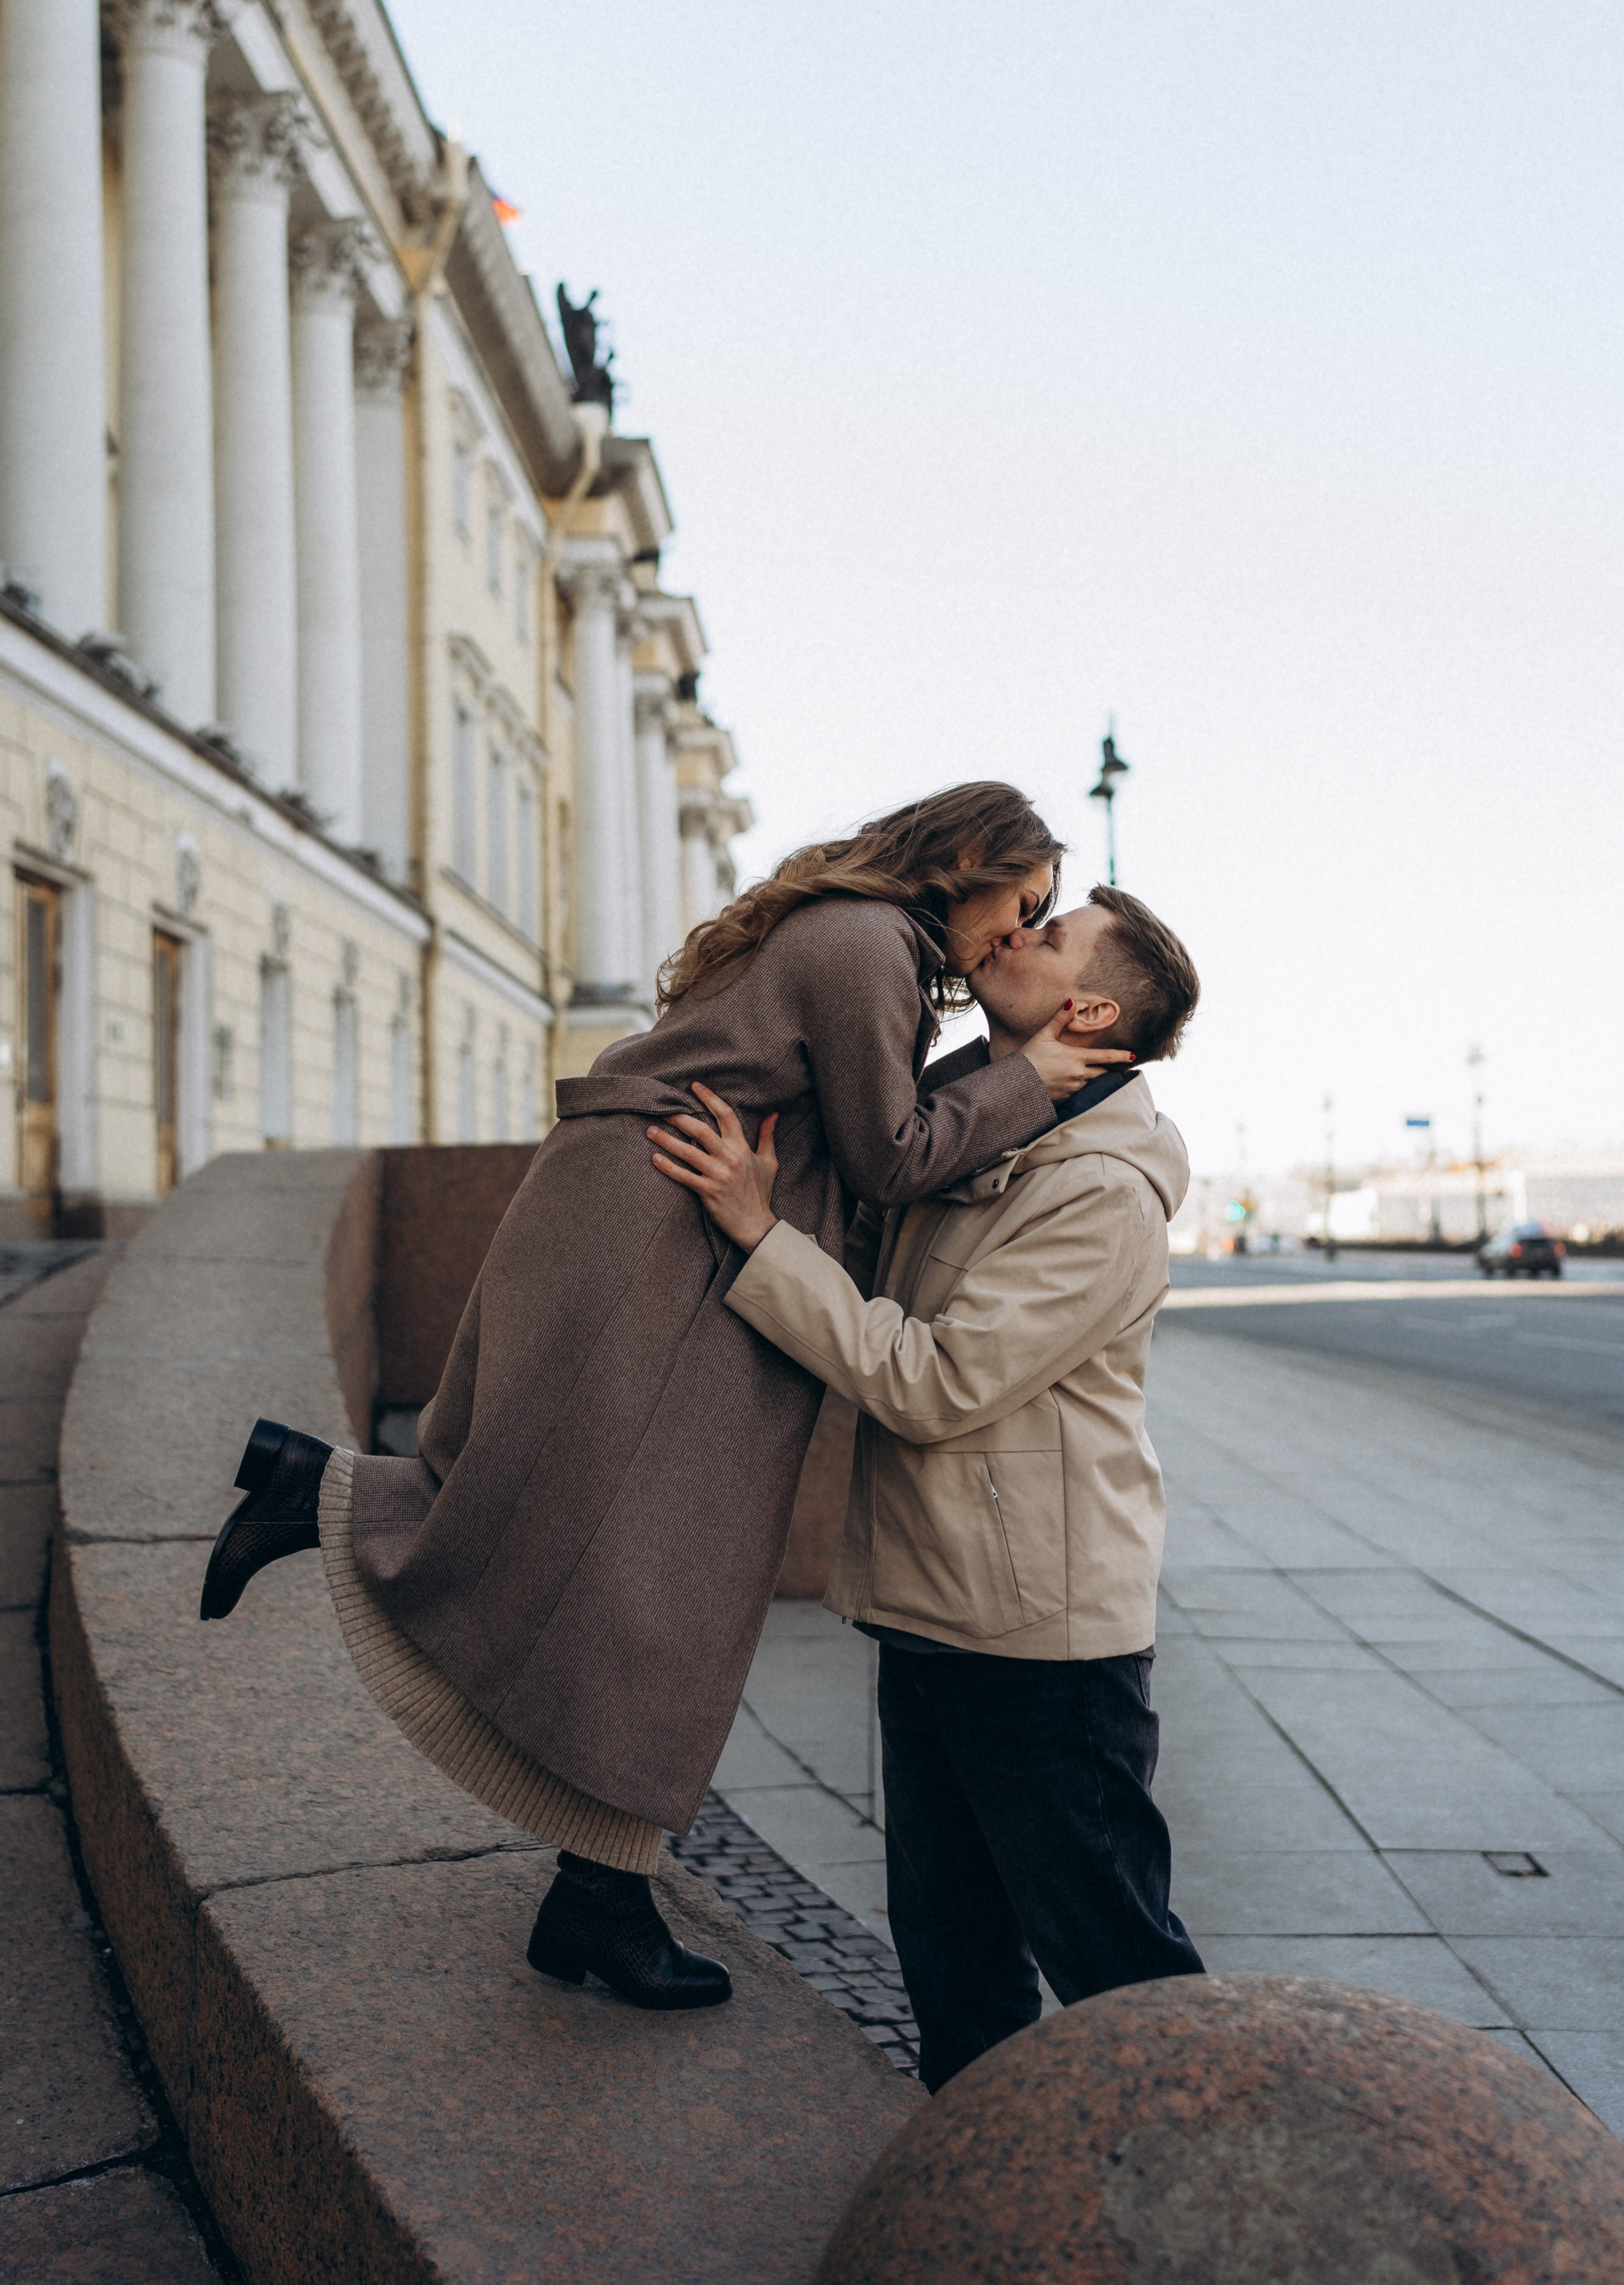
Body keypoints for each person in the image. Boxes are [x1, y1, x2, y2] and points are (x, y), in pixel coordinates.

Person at [199, 784, 1129, 2013]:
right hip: (665, 1242)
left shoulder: (858, 937)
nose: (1015, 935)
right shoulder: (866, 944)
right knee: (663, 1571)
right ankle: (321, 1500)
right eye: (1020, 905)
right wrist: (1038, 1077)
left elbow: (869, 1128)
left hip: (665, 1230)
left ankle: (600, 1895)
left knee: (659, 1570)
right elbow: (887, 1153)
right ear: (965, 861)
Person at [648, 882, 1205, 2088]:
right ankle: (972, 2215)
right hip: (935, 1609)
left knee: (1121, 1966)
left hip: (1041, 1648)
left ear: (1093, 1009)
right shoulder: (989, 1129)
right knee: (955, 1969)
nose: (1013, 935)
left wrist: (758, 1232)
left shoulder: (1100, 1192)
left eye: (1048, 937)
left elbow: (929, 1382)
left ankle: (1224, 2204)